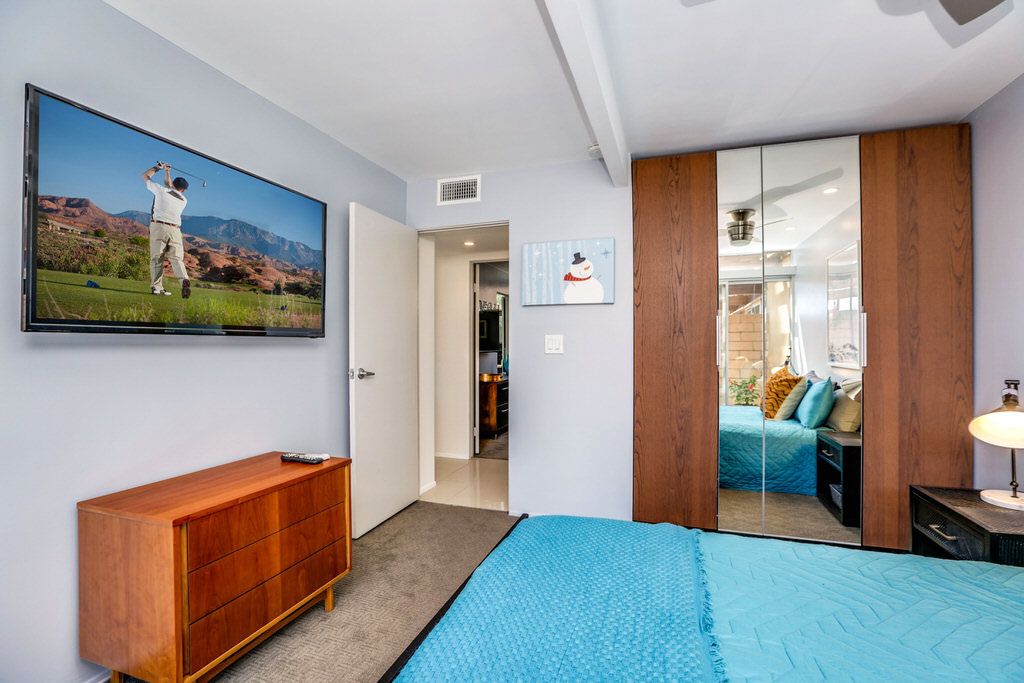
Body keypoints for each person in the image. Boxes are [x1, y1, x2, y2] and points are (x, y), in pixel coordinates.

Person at [141, 162, 191, 298]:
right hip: (175, 230)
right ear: (184, 190)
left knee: (157, 258)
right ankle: (184, 280)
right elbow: (170, 187)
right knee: (177, 259)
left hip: (159, 227)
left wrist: (158, 167)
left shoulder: (160, 190)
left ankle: (156, 288)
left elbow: (145, 176)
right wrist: (167, 172)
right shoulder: (183, 200)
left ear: (173, 184)